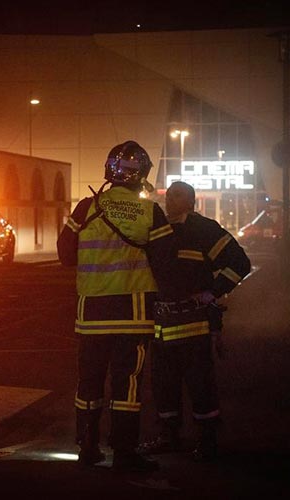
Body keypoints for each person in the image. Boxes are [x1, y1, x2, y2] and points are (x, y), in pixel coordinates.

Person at [57, 140, 177, 473]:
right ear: (142, 174)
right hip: (134, 314)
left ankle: (87, 446)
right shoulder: (150, 211)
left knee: (89, 382)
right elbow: (167, 263)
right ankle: (124, 451)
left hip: (92, 314)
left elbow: (65, 255)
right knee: (128, 385)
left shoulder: (86, 208)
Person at [139, 181, 251, 462]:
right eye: (169, 195)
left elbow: (240, 263)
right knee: (163, 383)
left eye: (178, 195)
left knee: (200, 384)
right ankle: (168, 435)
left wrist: (212, 292)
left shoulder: (203, 229)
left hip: (193, 324)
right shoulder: (157, 229)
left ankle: (208, 440)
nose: (171, 200)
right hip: (160, 324)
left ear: (191, 201)